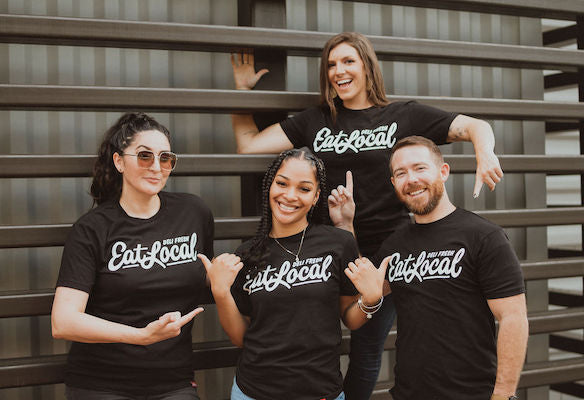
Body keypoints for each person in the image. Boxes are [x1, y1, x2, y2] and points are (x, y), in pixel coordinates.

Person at [230, 31, 504, 399]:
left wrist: (484, 152)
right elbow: (248, 146)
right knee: (310, 345)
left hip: (386, 258)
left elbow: (475, 126)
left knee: (366, 351)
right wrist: (241, 94)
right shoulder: (315, 121)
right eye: (331, 64)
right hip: (328, 256)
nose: (338, 71)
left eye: (347, 61)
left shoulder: (403, 115)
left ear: (366, 67)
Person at [200, 148, 388, 400]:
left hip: (320, 391)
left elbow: (351, 320)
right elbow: (241, 338)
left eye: (304, 188)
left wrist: (371, 299)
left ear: (316, 196)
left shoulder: (339, 243)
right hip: (254, 392)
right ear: (269, 186)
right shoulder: (246, 254)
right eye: (282, 183)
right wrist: (221, 292)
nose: (289, 195)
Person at [51, 112, 214, 400]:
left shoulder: (193, 213)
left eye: (165, 158)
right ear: (118, 162)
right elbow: (63, 321)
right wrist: (141, 336)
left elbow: (207, 283)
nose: (156, 167)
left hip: (173, 381)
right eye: (144, 156)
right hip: (102, 383)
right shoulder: (92, 228)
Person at [371, 135, 528, 399]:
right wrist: (345, 226)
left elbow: (513, 318)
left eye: (420, 168)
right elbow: (364, 295)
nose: (411, 179)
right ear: (394, 183)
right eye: (401, 173)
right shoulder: (394, 245)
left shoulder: (483, 236)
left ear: (443, 172)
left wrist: (503, 393)